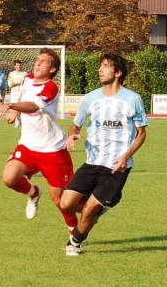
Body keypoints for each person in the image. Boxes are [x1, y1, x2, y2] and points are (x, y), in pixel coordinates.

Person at [60, 53, 148, 256]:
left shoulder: (133, 99)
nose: (100, 69)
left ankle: (75, 242)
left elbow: (142, 134)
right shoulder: (90, 98)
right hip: (92, 161)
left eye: (106, 66)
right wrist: (72, 135)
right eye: (100, 65)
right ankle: (101, 207)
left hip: (117, 165)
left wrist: (126, 156)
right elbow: (75, 125)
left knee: (88, 210)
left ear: (118, 73)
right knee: (66, 203)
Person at [0, 48, 78, 238]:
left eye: (44, 61)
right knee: (9, 178)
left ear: (52, 69)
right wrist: (15, 110)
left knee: (59, 200)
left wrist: (10, 105)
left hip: (52, 150)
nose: (38, 63)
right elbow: (24, 98)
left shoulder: (51, 88)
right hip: (28, 145)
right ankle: (33, 193)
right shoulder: (27, 79)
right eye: (37, 60)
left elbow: (33, 106)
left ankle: (74, 231)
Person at [7, 60, 27, 127]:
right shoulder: (11, 74)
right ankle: (16, 121)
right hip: (15, 93)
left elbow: (27, 83)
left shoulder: (25, 73)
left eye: (20, 65)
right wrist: (18, 83)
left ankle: (20, 120)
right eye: (17, 65)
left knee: (22, 108)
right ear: (14, 66)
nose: (19, 66)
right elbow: (10, 84)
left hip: (23, 93)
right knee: (15, 108)